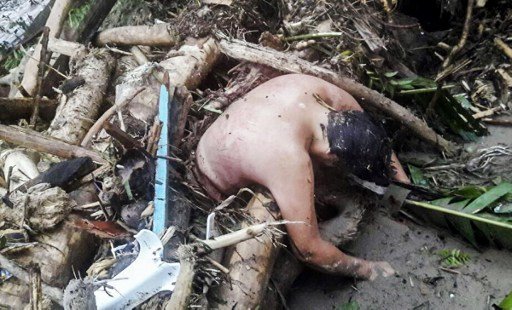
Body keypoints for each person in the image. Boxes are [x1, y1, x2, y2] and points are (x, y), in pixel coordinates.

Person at [195, 74, 410, 280]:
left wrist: (402, 183)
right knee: (306, 227)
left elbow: (370, 132)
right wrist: (367, 269)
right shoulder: (289, 158)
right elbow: (308, 250)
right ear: (331, 156)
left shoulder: (323, 94)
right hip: (214, 179)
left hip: (247, 130)